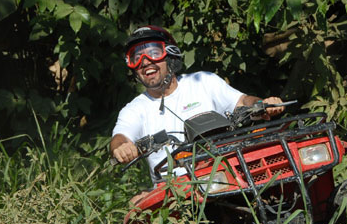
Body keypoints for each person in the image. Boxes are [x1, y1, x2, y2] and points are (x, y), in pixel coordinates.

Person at [110, 25, 285, 183]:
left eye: (154, 53)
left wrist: (263, 104)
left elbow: (242, 102)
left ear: (170, 56)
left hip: (226, 173)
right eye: (136, 57)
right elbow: (121, 137)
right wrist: (121, 148)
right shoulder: (134, 109)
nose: (146, 61)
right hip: (176, 190)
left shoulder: (203, 82)